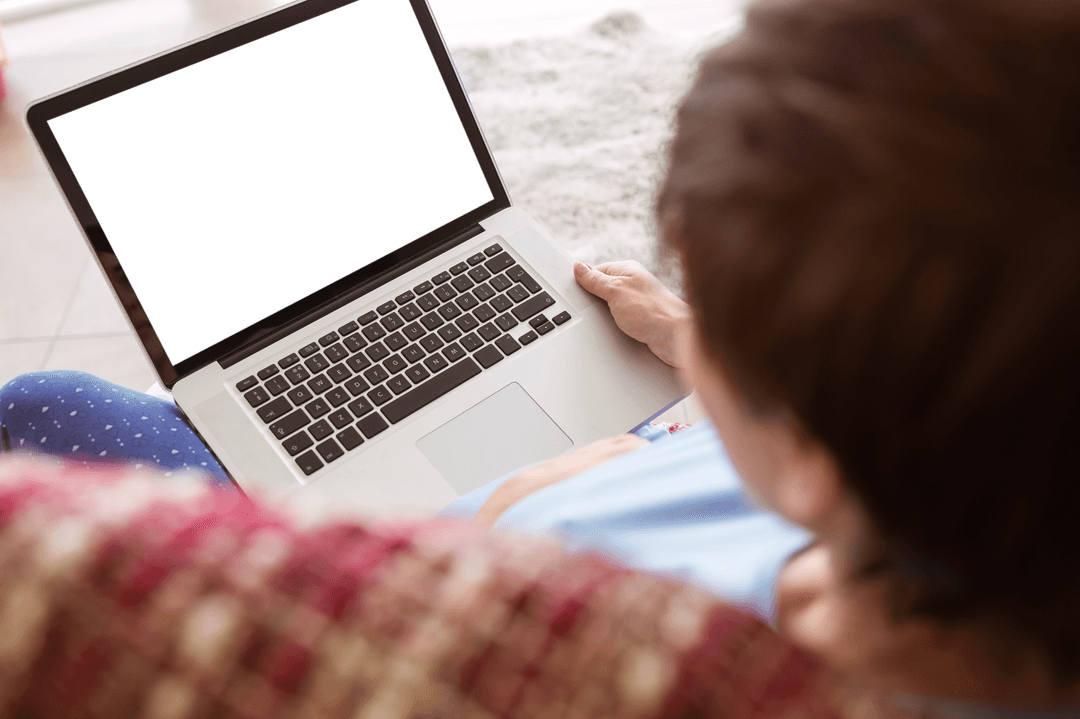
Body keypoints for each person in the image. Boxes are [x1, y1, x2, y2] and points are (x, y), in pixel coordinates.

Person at [3, 0, 1080, 714]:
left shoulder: (612, 650)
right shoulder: (975, 485)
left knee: (39, 403)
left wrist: (495, 525)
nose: (694, 333)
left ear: (814, 453)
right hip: (633, 462)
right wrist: (684, 360)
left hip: (434, 539)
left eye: (730, 336)